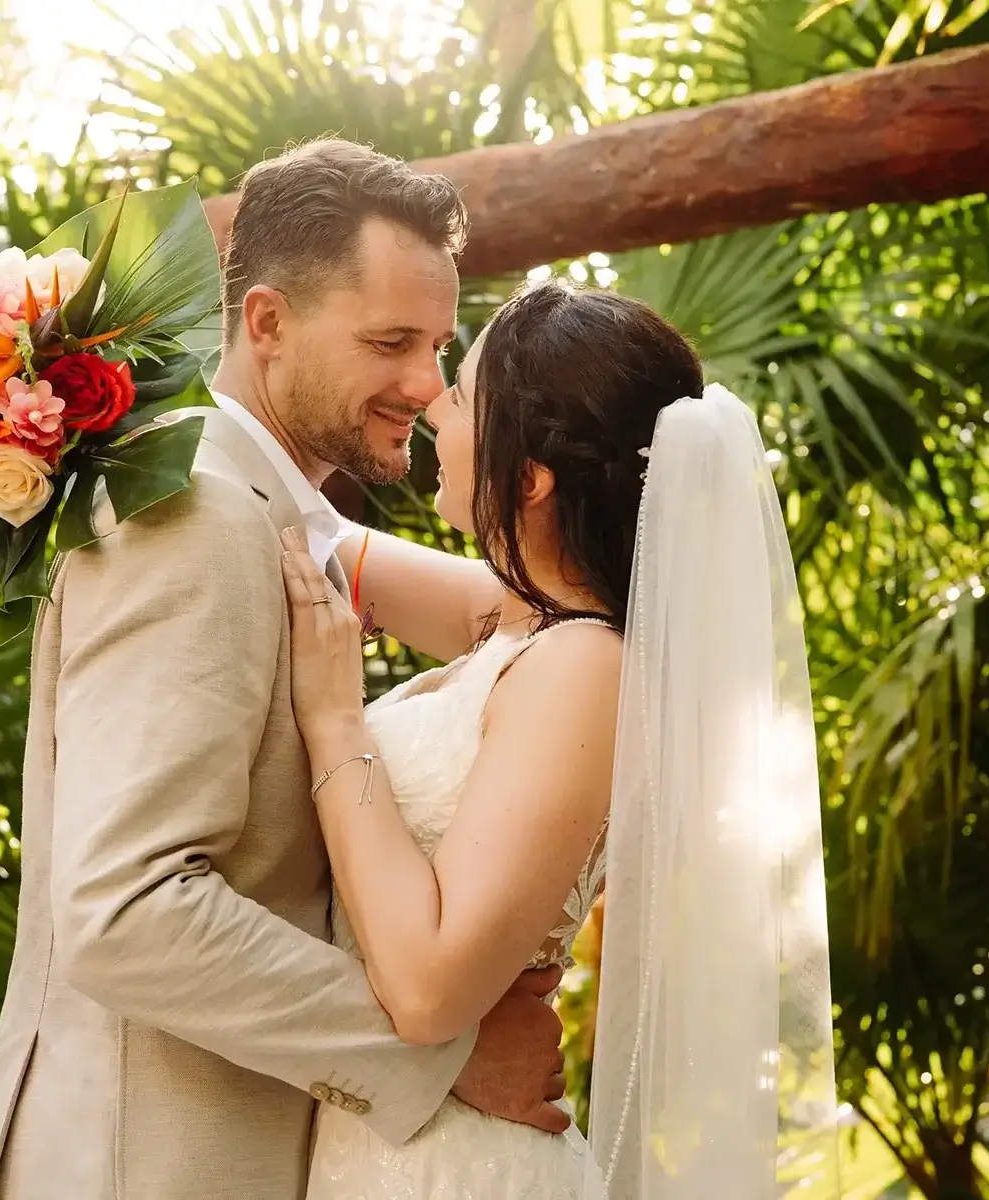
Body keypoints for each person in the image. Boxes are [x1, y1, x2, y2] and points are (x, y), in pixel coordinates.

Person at [0, 139, 570, 1200]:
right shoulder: (193, 520)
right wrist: (446, 1053)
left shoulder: (275, 513)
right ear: (268, 322)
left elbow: (537, 617)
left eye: (439, 346)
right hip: (142, 1166)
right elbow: (124, 907)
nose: (428, 388)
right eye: (390, 343)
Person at [285, 281, 842, 1197]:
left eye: (460, 393)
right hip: (393, 1138)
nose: (431, 403)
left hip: (451, 1165)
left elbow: (427, 990)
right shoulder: (515, 624)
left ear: (532, 478)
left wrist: (336, 719)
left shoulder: (584, 668)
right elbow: (311, 536)